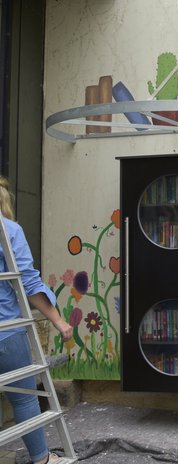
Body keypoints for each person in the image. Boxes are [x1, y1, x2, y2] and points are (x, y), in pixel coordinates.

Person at [0, 176, 73, 464]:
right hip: (5, 330)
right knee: (24, 396)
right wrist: (59, 321)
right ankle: (41, 459)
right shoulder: (9, 230)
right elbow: (28, 284)